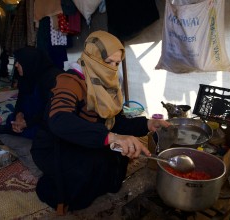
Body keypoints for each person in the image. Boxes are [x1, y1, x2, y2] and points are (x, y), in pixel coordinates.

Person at [30, 30, 171, 214]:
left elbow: (116, 122)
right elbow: (59, 120)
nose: (112, 68)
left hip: (87, 137)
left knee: (117, 155)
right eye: (107, 61)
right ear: (92, 57)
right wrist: (111, 137)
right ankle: (60, 192)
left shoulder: (107, 85)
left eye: (117, 63)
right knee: (90, 164)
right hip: (55, 145)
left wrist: (147, 124)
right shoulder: (70, 81)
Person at [0, 46, 62, 139]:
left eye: (19, 62)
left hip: (47, 117)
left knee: (45, 132)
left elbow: (50, 109)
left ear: (29, 62)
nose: (16, 65)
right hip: (31, 116)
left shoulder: (52, 78)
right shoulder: (27, 75)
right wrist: (19, 115)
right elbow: (21, 100)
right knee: (12, 120)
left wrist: (27, 123)